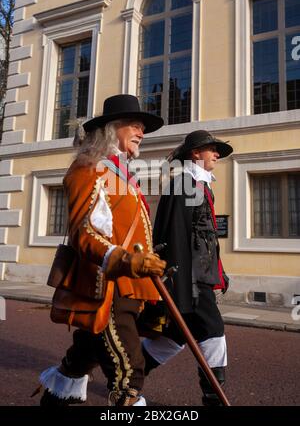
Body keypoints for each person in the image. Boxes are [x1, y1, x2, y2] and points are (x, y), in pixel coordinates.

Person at [38, 94, 166, 407]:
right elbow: (84, 234)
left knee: (83, 356)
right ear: (111, 129)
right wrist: (127, 260)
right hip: (105, 287)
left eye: (142, 127)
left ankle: (53, 399)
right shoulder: (88, 170)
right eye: (133, 125)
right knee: (128, 371)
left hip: (129, 286)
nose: (141, 131)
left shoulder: (122, 176)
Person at [141, 130, 233, 406]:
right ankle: (213, 400)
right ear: (196, 153)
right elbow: (175, 238)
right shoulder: (184, 184)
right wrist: (180, 289)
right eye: (212, 149)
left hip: (200, 278)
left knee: (175, 338)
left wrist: (219, 273)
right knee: (214, 332)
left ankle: (126, 378)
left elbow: (206, 238)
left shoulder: (200, 184)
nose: (217, 154)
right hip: (190, 283)